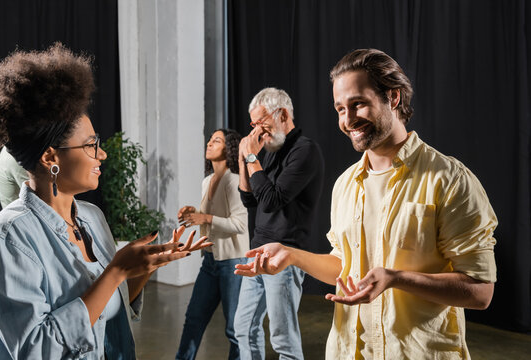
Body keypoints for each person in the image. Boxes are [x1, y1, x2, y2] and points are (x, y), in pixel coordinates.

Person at [235, 49, 497, 360]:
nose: (348, 120)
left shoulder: (450, 179)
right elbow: (344, 268)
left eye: (358, 103)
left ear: (393, 98)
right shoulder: (346, 184)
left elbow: (480, 292)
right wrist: (291, 255)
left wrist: (396, 278)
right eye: (340, 109)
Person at [0, 43, 211, 360]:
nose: (102, 154)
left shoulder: (92, 218)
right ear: (50, 156)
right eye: (91, 146)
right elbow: (34, 350)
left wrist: (144, 268)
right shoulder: (9, 237)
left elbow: (113, 308)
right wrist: (115, 272)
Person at [234, 87, 324, 360]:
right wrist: (243, 158)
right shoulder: (271, 150)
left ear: (282, 113)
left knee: (282, 338)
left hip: (284, 256)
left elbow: (272, 200)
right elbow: (251, 201)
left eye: (262, 123)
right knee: (243, 328)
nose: (258, 131)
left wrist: (252, 158)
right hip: (256, 252)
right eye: (254, 125)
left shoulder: (305, 151)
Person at [175, 129, 249, 360]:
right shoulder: (208, 181)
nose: (209, 143)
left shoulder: (235, 181)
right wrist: (193, 212)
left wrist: (204, 218)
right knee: (193, 319)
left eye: (216, 141)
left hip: (233, 263)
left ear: (229, 150)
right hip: (210, 260)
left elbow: (240, 224)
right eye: (210, 139)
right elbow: (211, 215)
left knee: (234, 330)